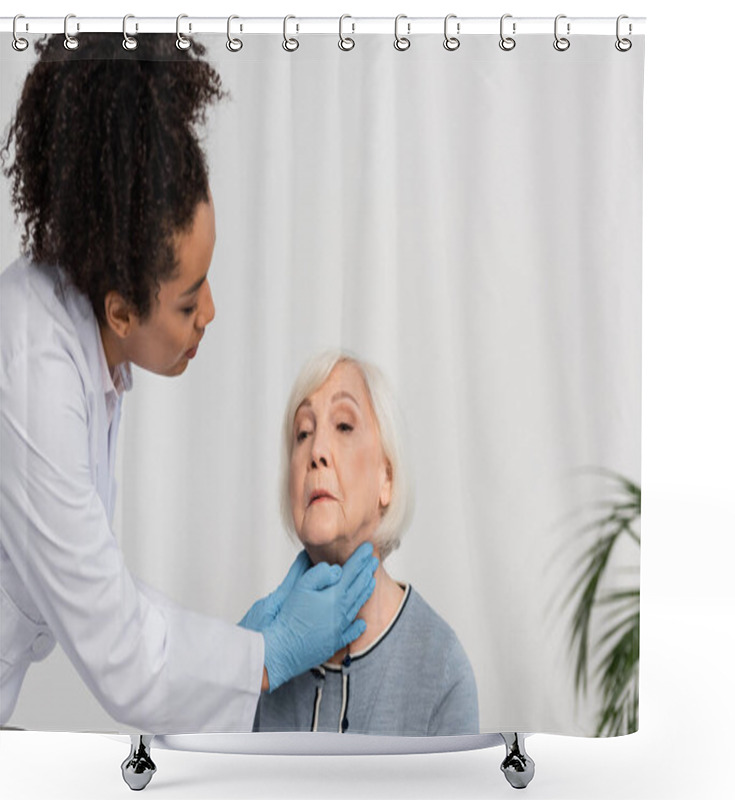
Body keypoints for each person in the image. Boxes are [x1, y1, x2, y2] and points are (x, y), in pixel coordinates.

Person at [0, 34, 377, 733]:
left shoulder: (83, 339)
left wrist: (243, 647)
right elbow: (118, 649)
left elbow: (102, 588)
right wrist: (264, 655)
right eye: (187, 299)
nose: (211, 313)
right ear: (121, 309)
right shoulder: (30, 375)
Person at [253, 352, 479, 735]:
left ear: (386, 478)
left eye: (343, 425)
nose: (316, 452)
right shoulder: (259, 653)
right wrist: (247, 664)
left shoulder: (440, 666)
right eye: (303, 433)